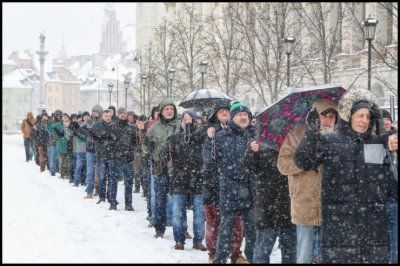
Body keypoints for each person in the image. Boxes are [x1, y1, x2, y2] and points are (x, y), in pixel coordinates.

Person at [294, 88, 397, 263]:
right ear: (349, 115)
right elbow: (304, 161)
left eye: (368, 117)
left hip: (373, 228)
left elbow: (387, 185)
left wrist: (389, 149)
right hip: (340, 227)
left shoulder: (375, 143)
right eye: (360, 116)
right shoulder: (331, 140)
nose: (364, 121)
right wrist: (310, 135)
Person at [277, 98, 338, 264]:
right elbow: (282, 164)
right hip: (304, 205)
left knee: (328, 256)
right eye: (324, 115)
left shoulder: (339, 137)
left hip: (332, 206)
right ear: (314, 116)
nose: (328, 120)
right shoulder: (297, 134)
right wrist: (304, 163)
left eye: (332, 116)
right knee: (305, 255)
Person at [202, 100, 247, 263]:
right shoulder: (208, 131)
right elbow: (208, 161)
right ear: (215, 113)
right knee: (214, 222)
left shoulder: (241, 132)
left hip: (235, 186)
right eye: (220, 111)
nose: (224, 113)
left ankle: (235, 253)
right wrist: (209, 137)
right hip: (214, 184)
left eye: (227, 110)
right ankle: (213, 253)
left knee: (236, 223)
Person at [212, 102, 257, 264]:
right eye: (239, 114)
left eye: (246, 114)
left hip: (251, 189)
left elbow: (258, 164)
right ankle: (220, 259)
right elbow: (221, 161)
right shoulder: (222, 135)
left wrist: (256, 151)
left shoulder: (255, 135)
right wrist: (248, 151)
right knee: (226, 228)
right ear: (233, 117)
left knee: (252, 230)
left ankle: (252, 259)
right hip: (230, 188)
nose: (244, 117)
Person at [160, 110, 207, 251]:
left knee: (199, 213)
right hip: (178, 179)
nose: (187, 121)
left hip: (198, 178)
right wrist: (165, 153)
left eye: (189, 119)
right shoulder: (173, 138)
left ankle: (198, 241)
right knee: (177, 212)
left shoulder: (200, 138)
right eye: (184, 119)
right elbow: (164, 157)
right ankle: (179, 240)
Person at [244, 141, 296, 264]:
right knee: (263, 248)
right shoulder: (260, 141)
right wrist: (252, 152)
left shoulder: (295, 140)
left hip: (290, 204)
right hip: (267, 205)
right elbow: (248, 167)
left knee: (290, 249)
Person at [144, 99, 180, 238]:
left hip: (178, 167)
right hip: (160, 166)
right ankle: (159, 227)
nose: (169, 111)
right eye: (166, 109)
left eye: (171, 108)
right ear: (161, 111)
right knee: (160, 198)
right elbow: (145, 146)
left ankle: (181, 228)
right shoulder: (154, 127)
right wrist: (149, 146)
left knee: (178, 199)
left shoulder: (179, 125)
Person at [107, 107, 136, 211]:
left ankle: (128, 203)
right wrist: (112, 152)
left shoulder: (132, 127)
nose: (123, 114)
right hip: (114, 158)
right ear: (118, 114)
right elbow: (108, 141)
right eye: (121, 113)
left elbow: (134, 142)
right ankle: (112, 202)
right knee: (113, 181)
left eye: (124, 113)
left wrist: (130, 152)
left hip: (128, 158)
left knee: (128, 182)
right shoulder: (112, 126)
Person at [381, 109, 398, 264]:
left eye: (387, 118)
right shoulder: (374, 140)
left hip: (393, 196)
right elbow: (374, 164)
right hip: (378, 197)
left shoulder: (396, 138)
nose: (385, 121)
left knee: (394, 236)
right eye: (382, 118)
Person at [91, 109, 113, 204]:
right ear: (102, 116)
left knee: (112, 177)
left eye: (109, 116)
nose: (107, 117)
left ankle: (110, 195)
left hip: (112, 155)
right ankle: (102, 196)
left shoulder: (114, 126)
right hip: (101, 154)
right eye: (106, 116)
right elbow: (97, 137)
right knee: (102, 176)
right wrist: (106, 136)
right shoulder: (97, 126)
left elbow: (114, 138)